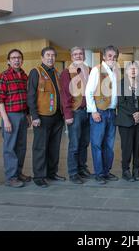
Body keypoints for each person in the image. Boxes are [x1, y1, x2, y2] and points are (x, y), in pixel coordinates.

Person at [27, 47, 66, 188]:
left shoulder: (56, 73)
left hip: (57, 116)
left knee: (54, 147)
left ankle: (51, 172)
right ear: (42, 57)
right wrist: (34, 116)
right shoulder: (35, 72)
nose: (51, 58)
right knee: (40, 147)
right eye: (48, 55)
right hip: (42, 117)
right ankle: (39, 176)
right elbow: (31, 95)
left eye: (53, 55)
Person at [0, 49, 31, 188]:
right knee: (10, 148)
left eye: (19, 58)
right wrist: (5, 120)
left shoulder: (24, 75)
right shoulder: (4, 76)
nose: (16, 60)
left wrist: (28, 115)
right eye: (13, 58)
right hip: (10, 115)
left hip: (23, 115)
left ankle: (18, 172)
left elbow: (27, 97)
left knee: (21, 147)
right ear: (8, 61)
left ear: (22, 60)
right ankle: (11, 177)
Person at [85, 45, 120, 184]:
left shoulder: (115, 71)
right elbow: (89, 92)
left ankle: (106, 171)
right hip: (99, 111)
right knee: (97, 144)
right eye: (110, 56)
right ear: (104, 56)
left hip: (112, 112)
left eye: (115, 56)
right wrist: (93, 111)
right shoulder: (96, 70)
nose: (112, 58)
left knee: (109, 145)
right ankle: (99, 173)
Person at [60, 47, 92, 184]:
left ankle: (82, 168)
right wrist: (68, 114)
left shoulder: (89, 70)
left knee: (84, 142)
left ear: (84, 56)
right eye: (75, 54)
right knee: (74, 144)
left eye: (80, 54)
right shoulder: (67, 73)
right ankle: (73, 172)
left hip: (88, 111)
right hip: (75, 112)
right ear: (71, 56)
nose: (78, 56)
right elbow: (65, 95)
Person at [115, 61, 139, 181]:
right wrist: (134, 114)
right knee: (127, 147)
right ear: (126, 71)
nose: (133, 71)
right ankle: (125, 170)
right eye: (130, 69)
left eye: (135, 69)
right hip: (126, 121)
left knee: (137, 147)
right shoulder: (120, 84)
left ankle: (136, 170)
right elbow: (121, 104)